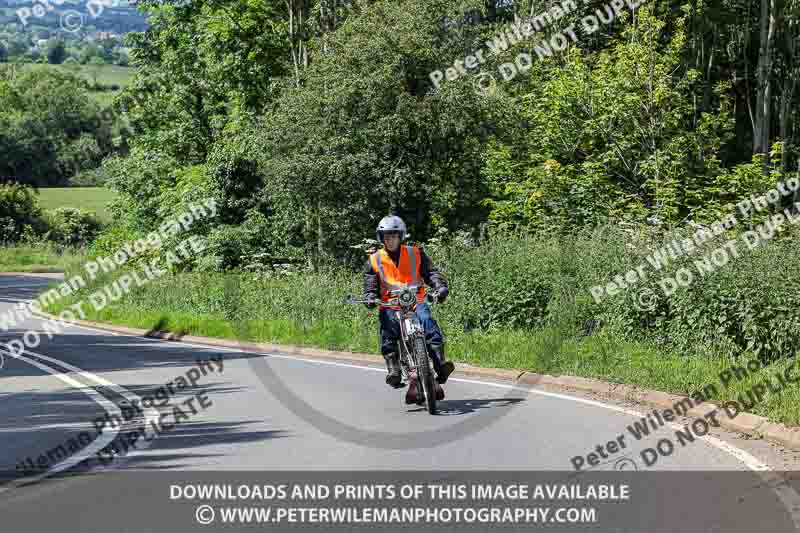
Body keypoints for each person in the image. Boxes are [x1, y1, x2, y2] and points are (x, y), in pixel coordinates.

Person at [362, 215, 455, 401]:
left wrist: (439, 286)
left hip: (416, 301)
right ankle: (393, 369)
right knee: (387, 330)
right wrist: (370, 297)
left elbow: (431, 273)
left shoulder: (415, 253)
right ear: (381, 238)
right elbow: (370, 284)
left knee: (428, 322)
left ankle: (440, 363)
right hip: (390, 304)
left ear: (401, 236)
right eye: (386, 236)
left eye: (394, 236)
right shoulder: (374, 260)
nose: (390, 239)